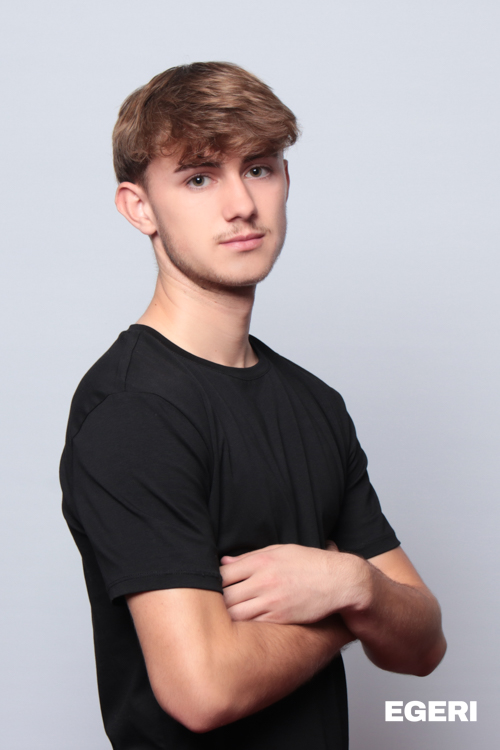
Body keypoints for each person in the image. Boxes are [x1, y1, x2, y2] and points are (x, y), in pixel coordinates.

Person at [60, 61, 446, 750]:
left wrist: (352, 579)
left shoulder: (315, 403)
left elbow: (423, 647)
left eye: (259, 169)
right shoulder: (133, 412)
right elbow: (203, 691)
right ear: (139, 207)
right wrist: (351, 607)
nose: (241, 204)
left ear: (285, 180)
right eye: (199, 177)